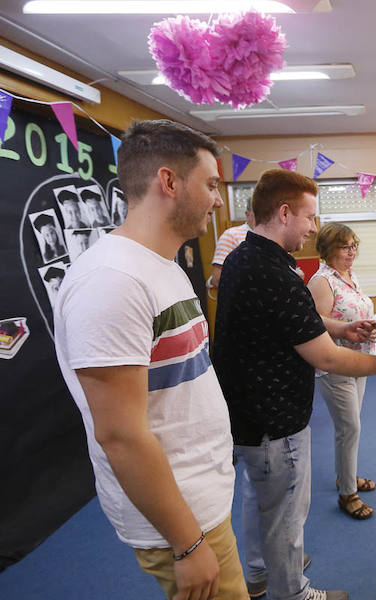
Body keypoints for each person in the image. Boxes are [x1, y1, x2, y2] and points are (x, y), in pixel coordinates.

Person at [53, 119, 245, 600]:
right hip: (182, 521)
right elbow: (120, 434)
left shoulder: (165, 264)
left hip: (202, 498)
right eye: (211, 185)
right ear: (169, 182)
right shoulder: (111, 281)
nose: (218, 200)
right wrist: (187, 544)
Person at [212, 168, 376, 600]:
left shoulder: (243, 260)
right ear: (284, 213)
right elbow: (322, 356)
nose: (313, 228)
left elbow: (295, 326)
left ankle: (262, 572)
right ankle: (294, 591)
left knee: (261, 501)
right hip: (275, 419)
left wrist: (341, 329)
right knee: (286, 509)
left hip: (248, 416)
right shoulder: (278, 275)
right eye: (309, 217)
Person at [308, 223, 376, 520]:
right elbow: (316, 321)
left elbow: (356, 312)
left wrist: (374, 326)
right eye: (345, 246)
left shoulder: (349, 276)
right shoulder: (322, 281)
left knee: (349, 426)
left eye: (354, 246)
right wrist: (350, 329)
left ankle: (345, 477)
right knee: (349, 426)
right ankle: (347, 493)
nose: (352, 252)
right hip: (335, 362)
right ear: (328, 249)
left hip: (358, 359)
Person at [208, 208, 255, 289]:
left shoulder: (274, 236)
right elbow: (218, 279)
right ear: (247, 214)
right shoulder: (231, 235)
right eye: (257, 212)